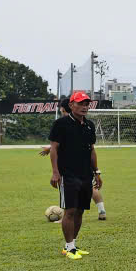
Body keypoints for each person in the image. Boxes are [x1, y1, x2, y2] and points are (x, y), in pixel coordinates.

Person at [48, 91, 101, 259]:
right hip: (67, 174)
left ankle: (72, 245)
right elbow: (54, 149)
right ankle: (69, 248)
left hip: (86, 174)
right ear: (71, 105)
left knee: (80, 211)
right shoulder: (60, 124)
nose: (84, 107)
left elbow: (91, 150)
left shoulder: (89, 125)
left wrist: (97, 172)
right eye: (80, 103)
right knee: (70, 210)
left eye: (87, 104)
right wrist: (55, 172)